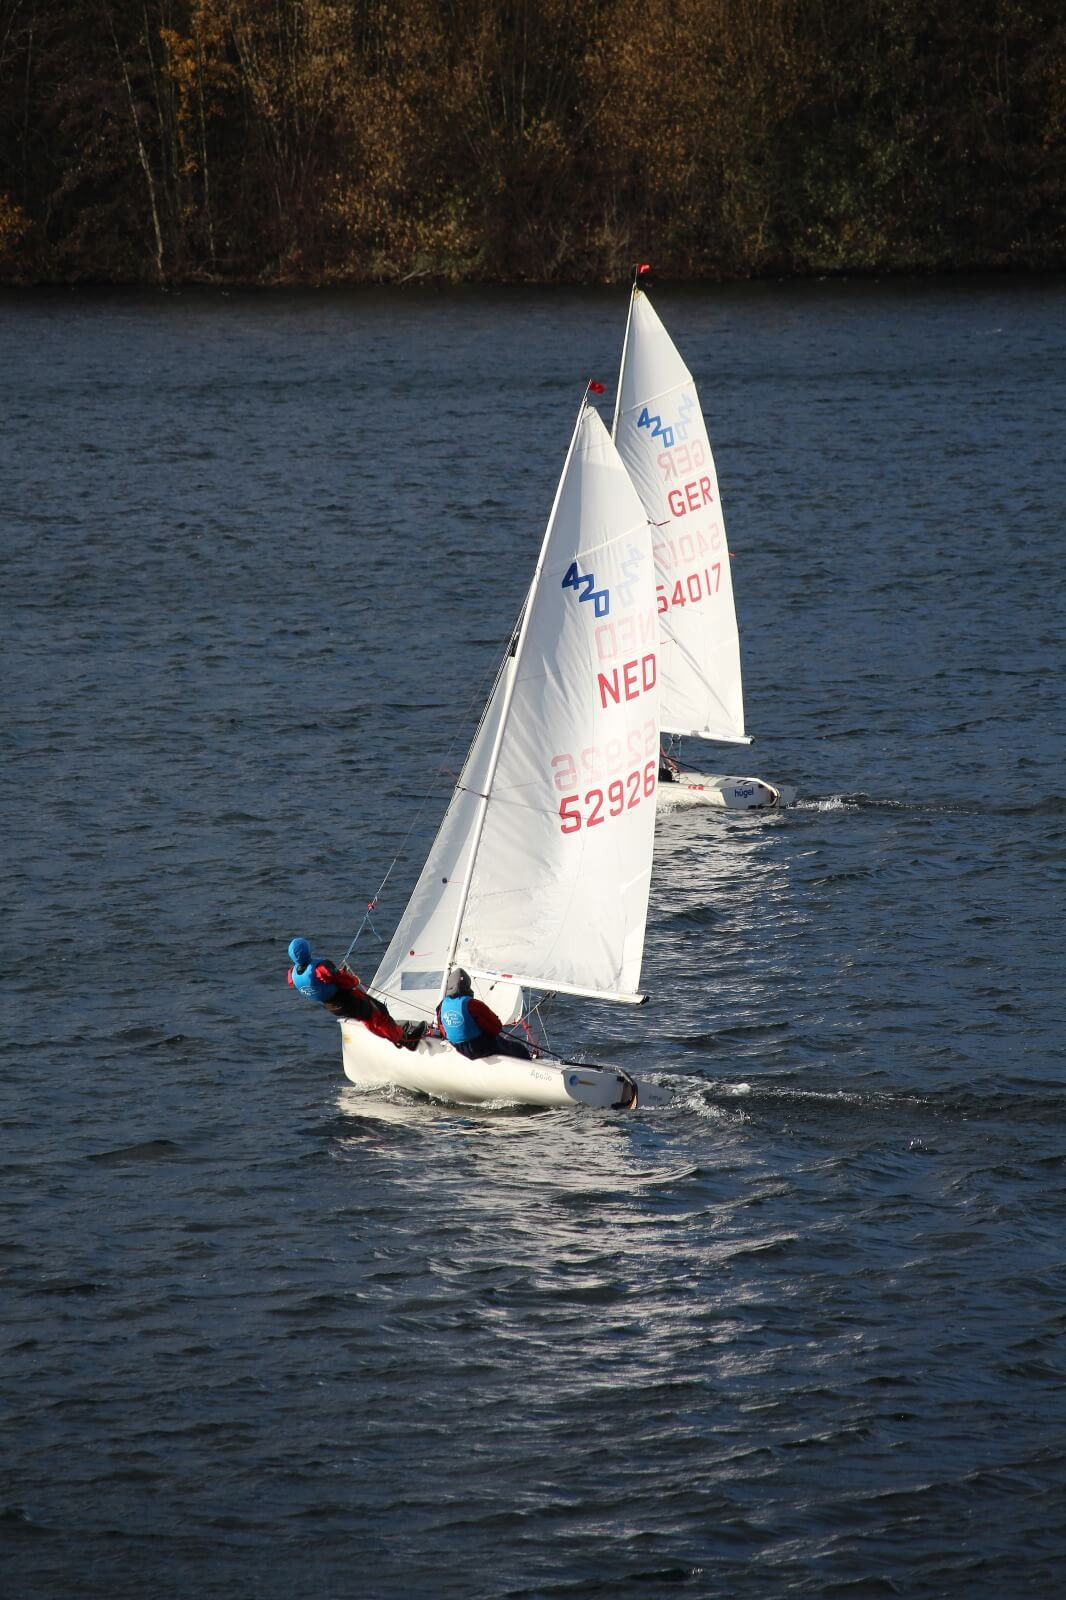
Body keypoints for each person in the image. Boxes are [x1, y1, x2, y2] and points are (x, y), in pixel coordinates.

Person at [287, 938, 425, 1049]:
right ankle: (406, 1040)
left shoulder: (292, 975)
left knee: (376, 1012)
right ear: (308, 950)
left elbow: (320, 983)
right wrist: (353, 979)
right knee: (377, 1017)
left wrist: (339, 976)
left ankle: (397, 1031)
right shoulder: (320, 968)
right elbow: (344, 981)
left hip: (332, 1005)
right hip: (346, 1000)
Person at [436, 968, 533, 1061]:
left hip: (457, 1046)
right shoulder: (473, 1004)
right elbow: (496, 1028)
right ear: (467, 985)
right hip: (478, 1048)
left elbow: (443, 1029)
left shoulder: (442, 1005)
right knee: (520, 1049)